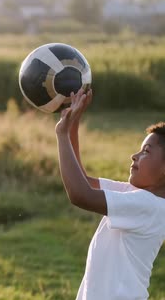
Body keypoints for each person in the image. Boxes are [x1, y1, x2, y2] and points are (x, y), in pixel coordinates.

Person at [55, 88, 165, 299]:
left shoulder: (150, 206)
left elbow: (80, 195)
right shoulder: (136, 193)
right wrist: (74, 122)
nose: (134, 156)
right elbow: (85, 182)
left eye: (146, 152)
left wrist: (61, 134)